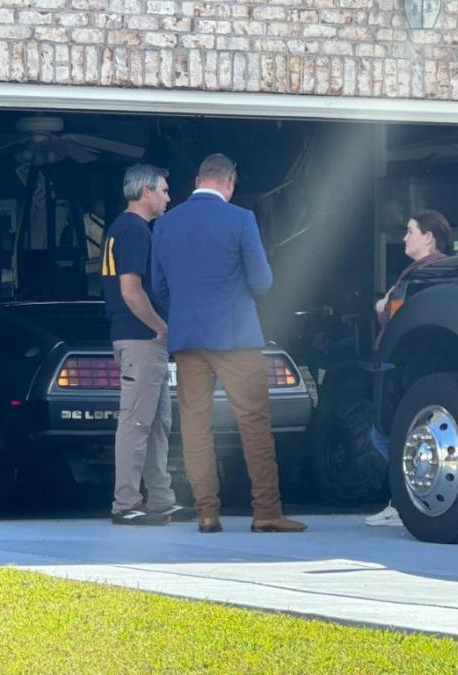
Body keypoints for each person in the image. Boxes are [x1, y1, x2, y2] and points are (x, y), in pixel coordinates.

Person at [151, 153, 307, 534]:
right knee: (253, 423)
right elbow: (262, 281)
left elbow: (158, 287)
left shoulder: (166, 224)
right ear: (230, 181)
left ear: (197, 179)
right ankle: (266, 511)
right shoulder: (241, 219)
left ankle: (206, 512)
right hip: (237, 337)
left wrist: (186, 312)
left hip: (189, 339)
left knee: (195, 426)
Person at [102, 164, 195, 526]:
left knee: (157, 423)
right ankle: (125, 502)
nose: (168, 197)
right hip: (140, 338)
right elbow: (130, 290)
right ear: (146, 193)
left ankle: (160, 499)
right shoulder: (135, 230)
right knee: (137, 422)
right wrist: (161, 327)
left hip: (140, 338)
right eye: (164, 190)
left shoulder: (122, 228)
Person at [366, 210, 453, 527]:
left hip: (404, 364)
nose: (405, 237)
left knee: (384, 432)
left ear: (428, 236)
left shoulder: (424, 274)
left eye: (411, 230)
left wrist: (383, 304)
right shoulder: (436, 270)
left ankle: (406, 496)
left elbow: (394, 314)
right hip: (421, 365)